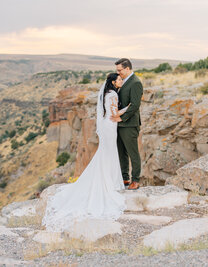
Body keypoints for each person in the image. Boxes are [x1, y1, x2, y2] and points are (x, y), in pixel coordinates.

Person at [42, 73, 128, 232]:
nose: (121, 81)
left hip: (106, 127)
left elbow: (107, 114)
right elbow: (115, 115)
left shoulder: (106, 94)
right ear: (114, 82)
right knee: (109, 155)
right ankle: (110, 182)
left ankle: (108, 180)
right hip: (111, 128)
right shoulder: (114, 94)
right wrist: (128, 109)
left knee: (105, 155)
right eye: (119, 79)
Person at [111, 58, 143, 190]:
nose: (118, 73)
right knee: (121, 152)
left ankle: (135, 180)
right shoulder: (122, 81)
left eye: (120, 70)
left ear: (127, 68)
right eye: (117, 70)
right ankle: (124, 178)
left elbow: (135, 105)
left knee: (132, 153)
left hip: (129, 125)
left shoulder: (135, 83)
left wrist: (122, 118)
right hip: (119, 125)